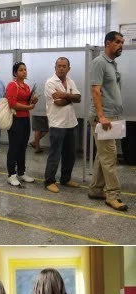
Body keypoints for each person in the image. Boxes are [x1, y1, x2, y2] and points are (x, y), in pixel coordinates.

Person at [89, 31, 127, 211]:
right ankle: (112, 195)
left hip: (112, 116)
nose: (121, 45)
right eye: (118, 42)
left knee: (102, 155)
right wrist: (101, 116)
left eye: (122, 42)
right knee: (110, 156)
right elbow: (95, 91)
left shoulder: (112, 64)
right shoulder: (99, 62)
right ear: (108, 43)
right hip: (103, 117)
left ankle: (96, 190)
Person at [43, 57, 82, 193]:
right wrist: (71, 98)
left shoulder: (71, 81)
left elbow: (79, 98)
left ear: (68, 68)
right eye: (59, 66)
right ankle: (49, 181)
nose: (61, 68)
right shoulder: (50, 82)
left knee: (70, 154)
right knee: (55, 154)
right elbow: (59, 102)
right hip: (57, 124)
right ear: (55, 68)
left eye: (64, 66)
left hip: (71, 123)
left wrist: (65, 95)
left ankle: (65, 179)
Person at [5, 62, 38, 187]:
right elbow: (12, 103)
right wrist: (28, 106)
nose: (24, 72)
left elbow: (27, 102)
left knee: (23, 147)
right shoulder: (12, 85)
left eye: (25, 69)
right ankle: (11, 175)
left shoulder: (26, 86)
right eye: (20, 70)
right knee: (14, 147)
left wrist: (33, 101)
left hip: (25, 119)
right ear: (15, 73)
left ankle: (21, 172)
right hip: (15, 120)